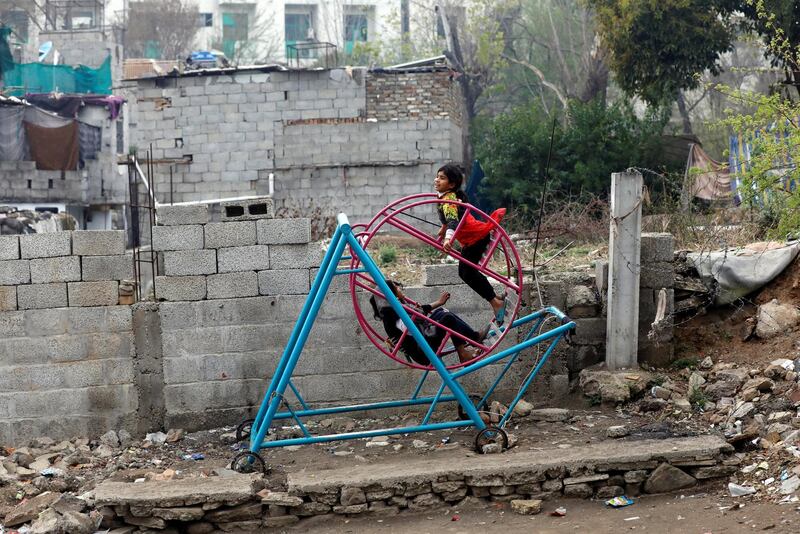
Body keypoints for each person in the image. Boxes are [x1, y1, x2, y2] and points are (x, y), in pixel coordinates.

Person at [434, 163, 508, 324]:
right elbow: (449, 219)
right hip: (472, 238)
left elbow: (453, 220)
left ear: (452, 184)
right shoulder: (445, 198)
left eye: (442, 178)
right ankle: (494, 298)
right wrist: (443, 229)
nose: (437, 180)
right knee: (466, 272)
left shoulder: (449, 199)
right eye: (437, 177)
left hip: (477, 237)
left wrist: (448, 238)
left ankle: (496, 302)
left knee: (467, 272)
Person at [369, 280, 489, 365]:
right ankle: (463, 354)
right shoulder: (391, 315)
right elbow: (411, 325)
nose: (399, 289)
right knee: (447, 318)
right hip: (422, 350)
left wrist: (439, 303)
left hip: (423, 339)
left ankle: (474, 337)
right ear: (391, 294)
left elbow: (418, 315)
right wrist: (416, 312)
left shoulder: (396, 308)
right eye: (396, 288)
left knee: (442, 311)